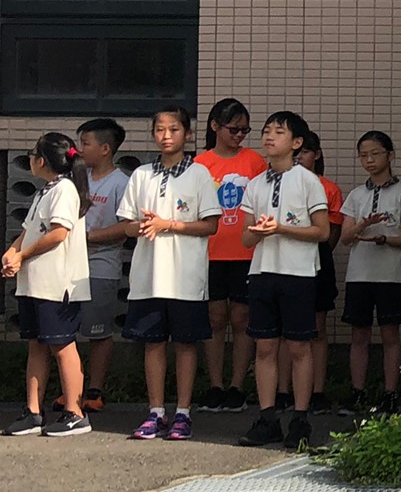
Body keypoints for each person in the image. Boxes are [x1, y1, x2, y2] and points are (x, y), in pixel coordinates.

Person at [118, 105, 221, 441]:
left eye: (174, 129)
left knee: (186, 344)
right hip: (148, 276)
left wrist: (168, 224)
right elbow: (126, 225)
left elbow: (210, 225)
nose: (166, 136)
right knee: (153, 343)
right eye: (160, 129)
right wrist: (141, 226)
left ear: (187, 134)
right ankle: (155, 411)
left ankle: (183, 412)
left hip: (186, 277)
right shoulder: (141, 174)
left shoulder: (199, 174)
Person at [236, 111, 332, 452]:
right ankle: (268, 418)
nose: (269, 137)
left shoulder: (308, 181)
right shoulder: (255, 184)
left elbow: (322, 231)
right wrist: (260, 232)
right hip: (262, 272)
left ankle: (300, 418)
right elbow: (245, 239)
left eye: (279, 132)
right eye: (266, 131)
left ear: (296, 143)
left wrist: (281, 228)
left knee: (299, 347)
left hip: (299, 274)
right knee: (264, 347)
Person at [0, 132, 95, 439]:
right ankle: (33, 411)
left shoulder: (65, 189)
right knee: (37, 345)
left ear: (41, 160)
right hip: (34, 282)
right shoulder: (47, 189)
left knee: (62, 345)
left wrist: (22, 254)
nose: (30, 159)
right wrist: (13, 252)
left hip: (57, 283)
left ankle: (75, 412)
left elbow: (58, 233)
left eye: (32, 154)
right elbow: (29, 230)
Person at [339, 130, 401, 416]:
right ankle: (357, 392)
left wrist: (385, 239)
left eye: (375, 154)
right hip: (358, 276)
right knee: (359, 334)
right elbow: (345, 237)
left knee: (390, 335)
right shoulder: (356, 195)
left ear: (390, 155)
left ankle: (390, 393)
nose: (369, 160)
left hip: (389, 277)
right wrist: (363, 225)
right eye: (363, 155)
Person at [195, 99, 263, 412]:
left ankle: (237, 385)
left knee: (241, 318)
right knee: (214, 318)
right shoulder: (200, 164)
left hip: (247, 252)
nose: (239, 135)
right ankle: (215, 384)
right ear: (215, 126)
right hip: (209, 252)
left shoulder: (255, 161)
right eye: (233, 129)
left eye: (244, 130)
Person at [74, 118, 134, 414]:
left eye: (86, 143)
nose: (80, 149)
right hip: (70, 264)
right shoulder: (77, 178)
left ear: (105, 148)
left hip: (102, 265)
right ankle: (71, 389)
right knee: (65, 331)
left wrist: (89, 237)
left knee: (98, 332)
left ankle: (95, 390)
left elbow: (127, 226)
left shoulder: (122, 183)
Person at [294, 133, 344, 406]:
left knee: (318, 327)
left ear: (317, 154)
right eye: (296, 153)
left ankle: (318, 390)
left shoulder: (329, 188)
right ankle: (285, 391)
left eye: (305, 152)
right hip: (288, 260)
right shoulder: (280, 184)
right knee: (288, 329)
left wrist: (321, 253)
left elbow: (333, 232)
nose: (299, 158)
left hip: (319, 258)